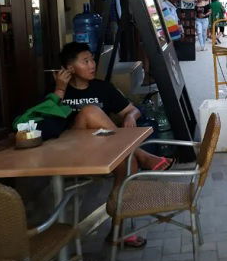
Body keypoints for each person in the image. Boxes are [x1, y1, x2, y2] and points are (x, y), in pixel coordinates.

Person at [53, 42, 176, 248]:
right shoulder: (58, 93)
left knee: (129, 164)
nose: (92, 64)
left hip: (104, 151)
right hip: (72, 155)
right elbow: (47, 122)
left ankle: (118, 231)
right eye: (86, 61)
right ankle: (140, 153)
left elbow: (133, 109)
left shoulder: (103, 88)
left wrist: (130, 116)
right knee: (90, 112)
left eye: (92, 59)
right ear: (70, 68)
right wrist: (59, 89)